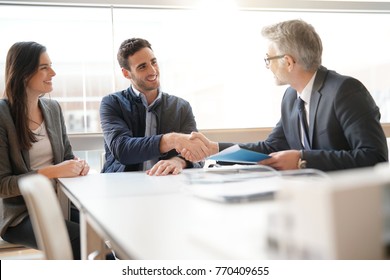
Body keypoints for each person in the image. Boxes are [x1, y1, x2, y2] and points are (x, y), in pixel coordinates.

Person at [185, 19, 388, 171]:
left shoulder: (346, 91)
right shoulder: (291, 98)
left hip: (351, 202)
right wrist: (214, 149)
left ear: (288, 62)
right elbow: (271, 146)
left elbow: (375, 157)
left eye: (268, 59)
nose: (267, 66)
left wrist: (302, 159)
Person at [0, 41, 90, 260]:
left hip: (61, 201)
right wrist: (53, 172)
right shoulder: (3, 115)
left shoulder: (53, 108)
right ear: (23, 73)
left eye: (51, 65)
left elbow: (66, 156)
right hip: (21, 214)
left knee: (103, 229)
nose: (53, 72)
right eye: (44, 67)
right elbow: (3, 185)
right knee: (81, 241)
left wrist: (77, 166)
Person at [100, 38, 207, 176]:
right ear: (126, 73)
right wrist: (172, 140)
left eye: (154, 62)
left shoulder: (181, 107)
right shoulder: (112, 103)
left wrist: (178, 161)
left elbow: (198, 153)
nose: (152, 70)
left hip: (167, 185)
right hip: (123, 186)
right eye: (142, 67)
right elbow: (122, 149)